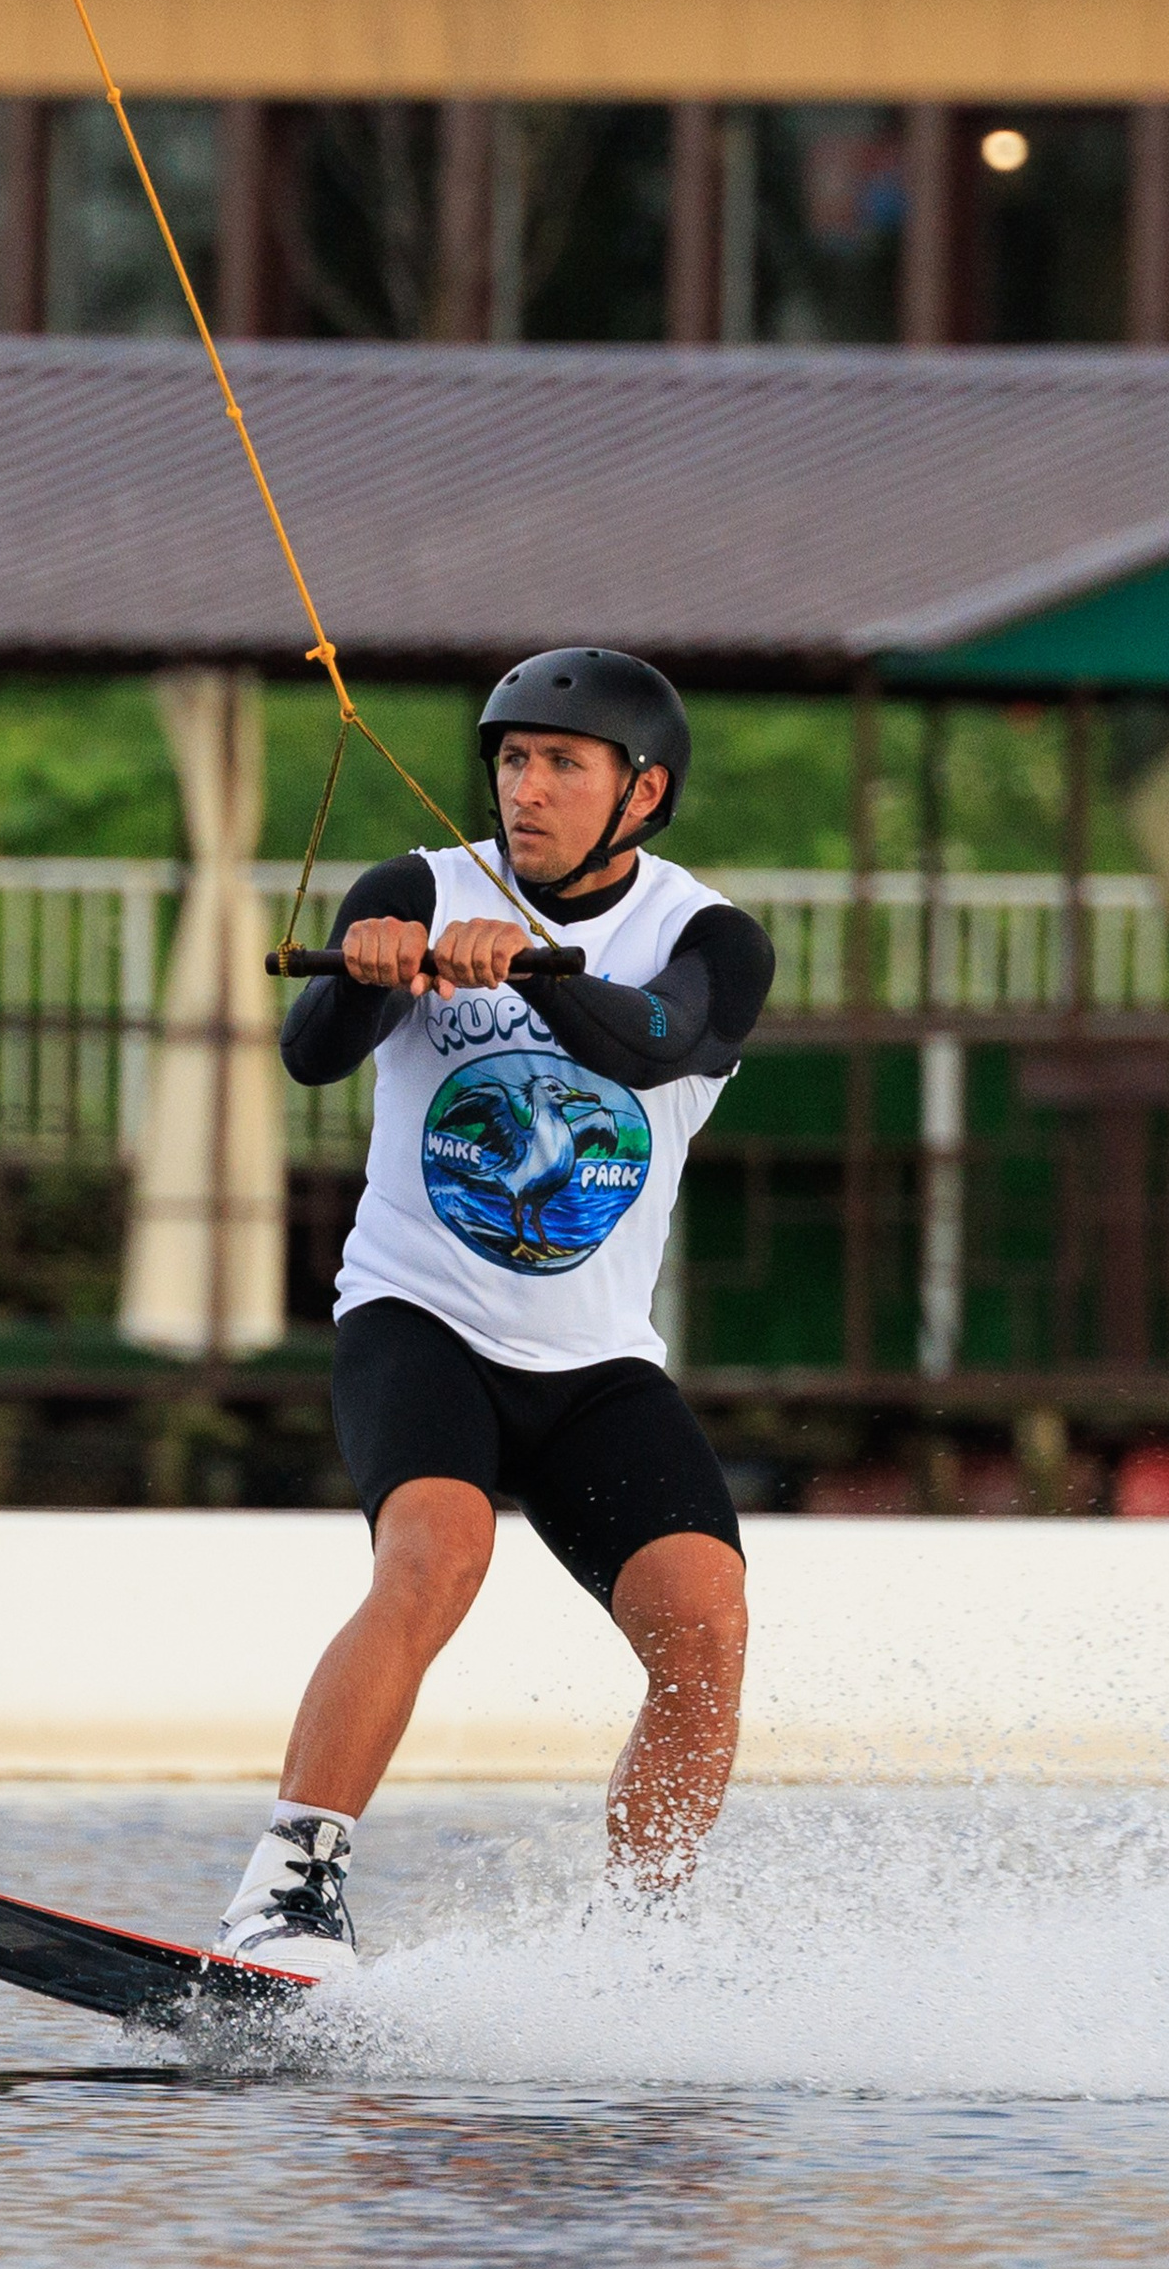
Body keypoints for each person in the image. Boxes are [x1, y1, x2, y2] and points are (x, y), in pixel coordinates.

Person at [220, 650, 776, 1976]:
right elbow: (311, 1052)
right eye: (513, 761)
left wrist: (528, 969)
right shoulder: (420, 887)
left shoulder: (711, 938)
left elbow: (656, 1039)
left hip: (593, 1364)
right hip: (422, 1320)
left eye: (563, 765)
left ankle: (636, 1941)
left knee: (706, 1621)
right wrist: (363, 972)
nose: (527, 789)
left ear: (641, 793)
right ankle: (288, 1891)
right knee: (437, 1554)